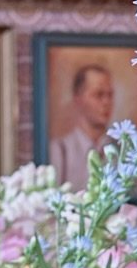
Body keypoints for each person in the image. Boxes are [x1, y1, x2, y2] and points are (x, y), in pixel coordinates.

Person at [48, 61, 116, 190]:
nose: (106, 102)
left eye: (110, 95)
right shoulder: (60, 151)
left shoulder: (123, 150)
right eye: (98, 94)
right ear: (78, 99)